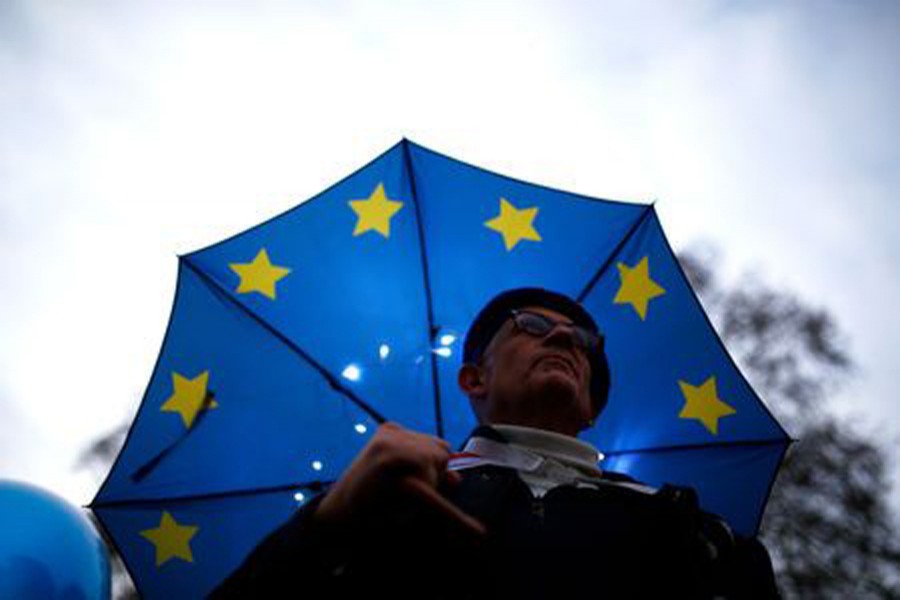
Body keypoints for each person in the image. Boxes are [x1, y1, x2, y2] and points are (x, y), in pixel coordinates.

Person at [211, 288, 780, 599]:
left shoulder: (695, 531)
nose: (563, 335)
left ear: (592, 406)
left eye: (582, 339)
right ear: (473, 379)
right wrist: (329, 524)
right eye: (530, 325)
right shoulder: (382, 500)